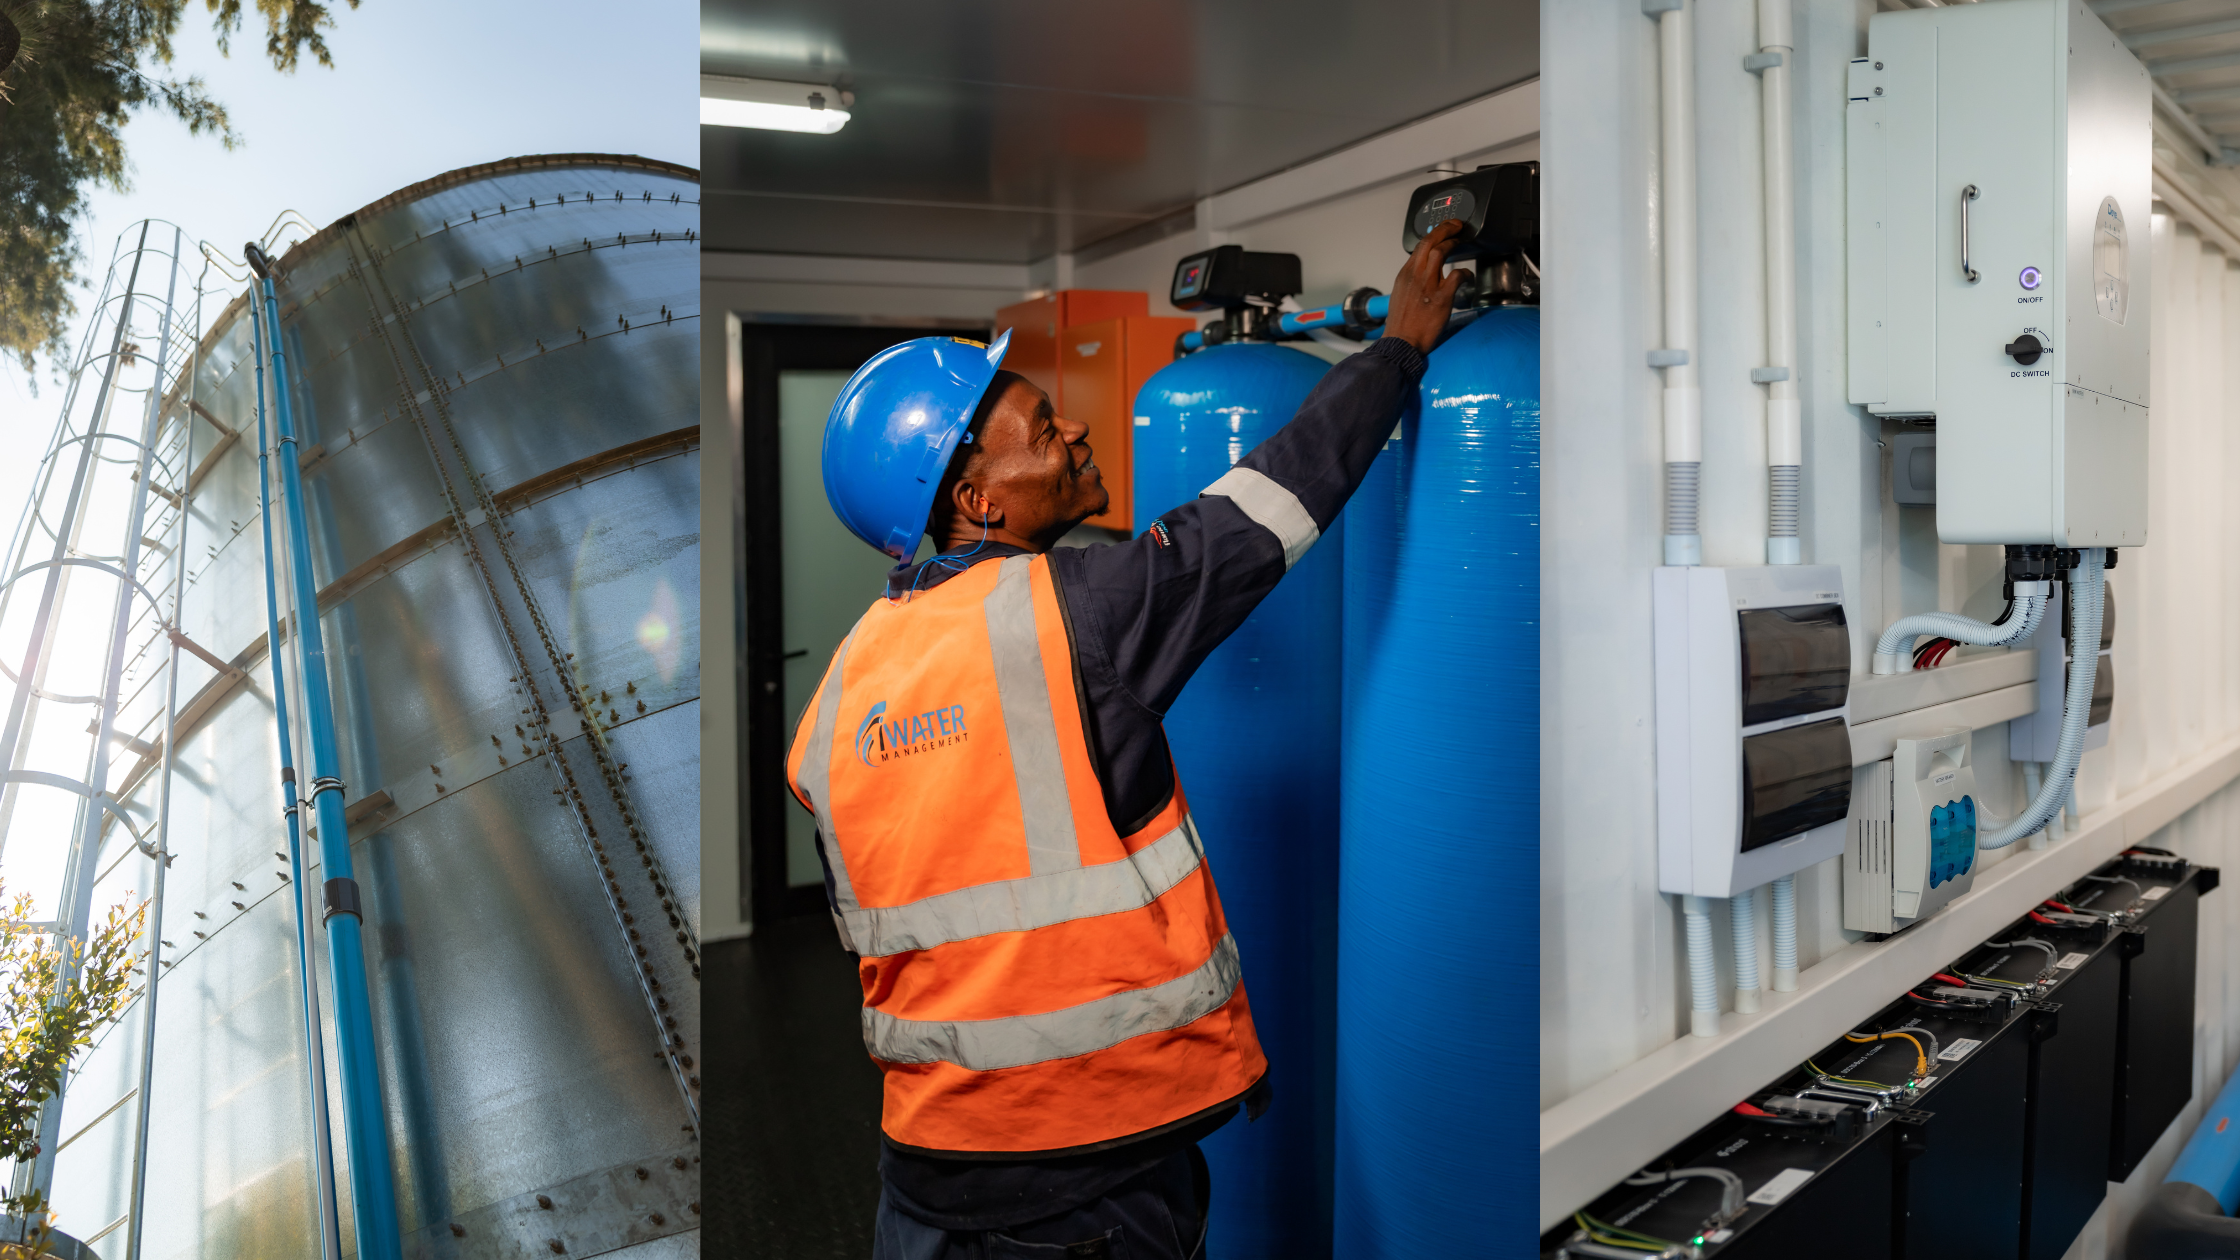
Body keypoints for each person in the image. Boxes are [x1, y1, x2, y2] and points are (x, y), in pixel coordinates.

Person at [789, 220, 1468, 1260]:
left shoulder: (840, 689)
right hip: (1081, 1172)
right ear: (975, 500)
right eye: (1045, 427)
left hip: (923, 1171)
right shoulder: (1076, 612)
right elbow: (1268, 503)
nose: (1078, 435)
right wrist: (1399, 349)